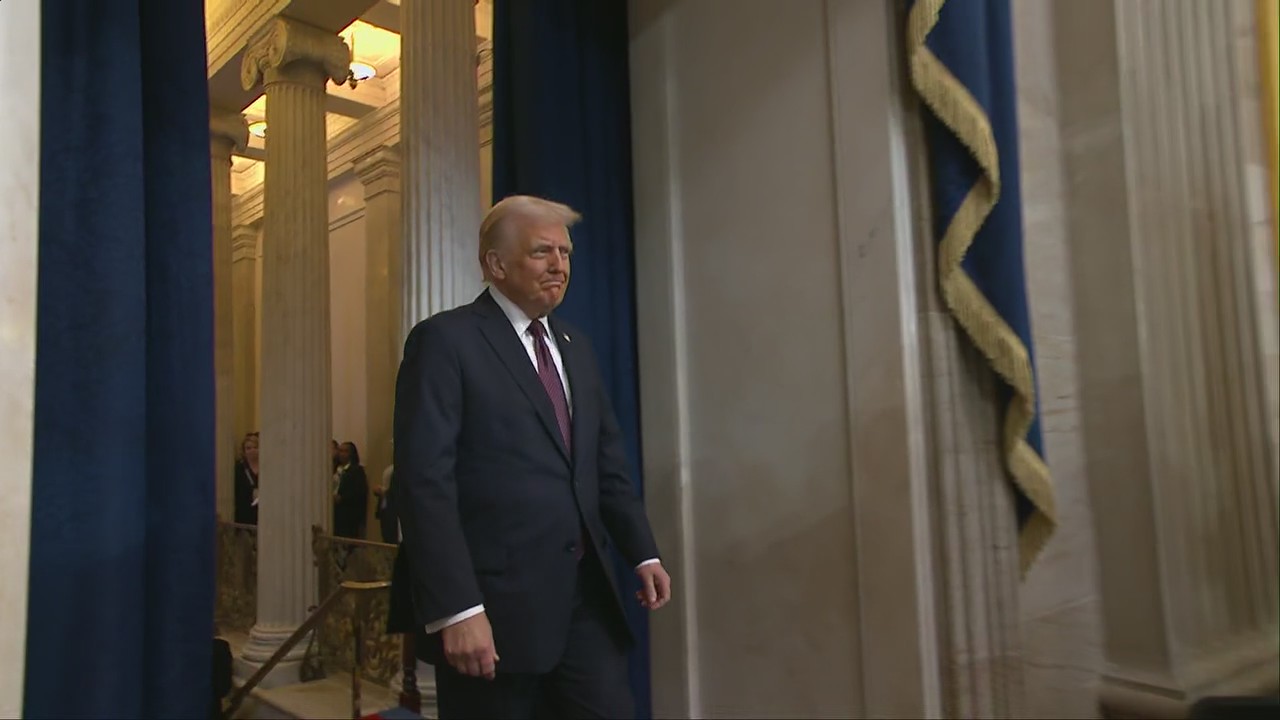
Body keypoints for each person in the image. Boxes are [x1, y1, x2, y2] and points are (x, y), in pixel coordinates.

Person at [390, 195, 671, 719]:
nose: (560, 265)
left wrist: (642, 552)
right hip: (494, 613)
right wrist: (457, 608)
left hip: (585, 602)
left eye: (565, 253)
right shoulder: (445, 342)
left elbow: (604, 464)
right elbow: (424, 484)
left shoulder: (575, 346)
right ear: (496, 264)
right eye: (543, 252)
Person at [332, 441, 368, 539]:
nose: (341, 454)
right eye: (340, 451)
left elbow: (359, 492)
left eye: (345, 451)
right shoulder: (333, 469)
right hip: (334, 514)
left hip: (348, 516)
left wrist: (342, 498)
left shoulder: (357, 471)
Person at [233, 433, 260, 525]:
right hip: (244, 513)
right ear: (244, 451)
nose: (252, 450)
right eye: (248, 448)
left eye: (255, 447)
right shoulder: (239, 468)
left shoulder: (267, 466)